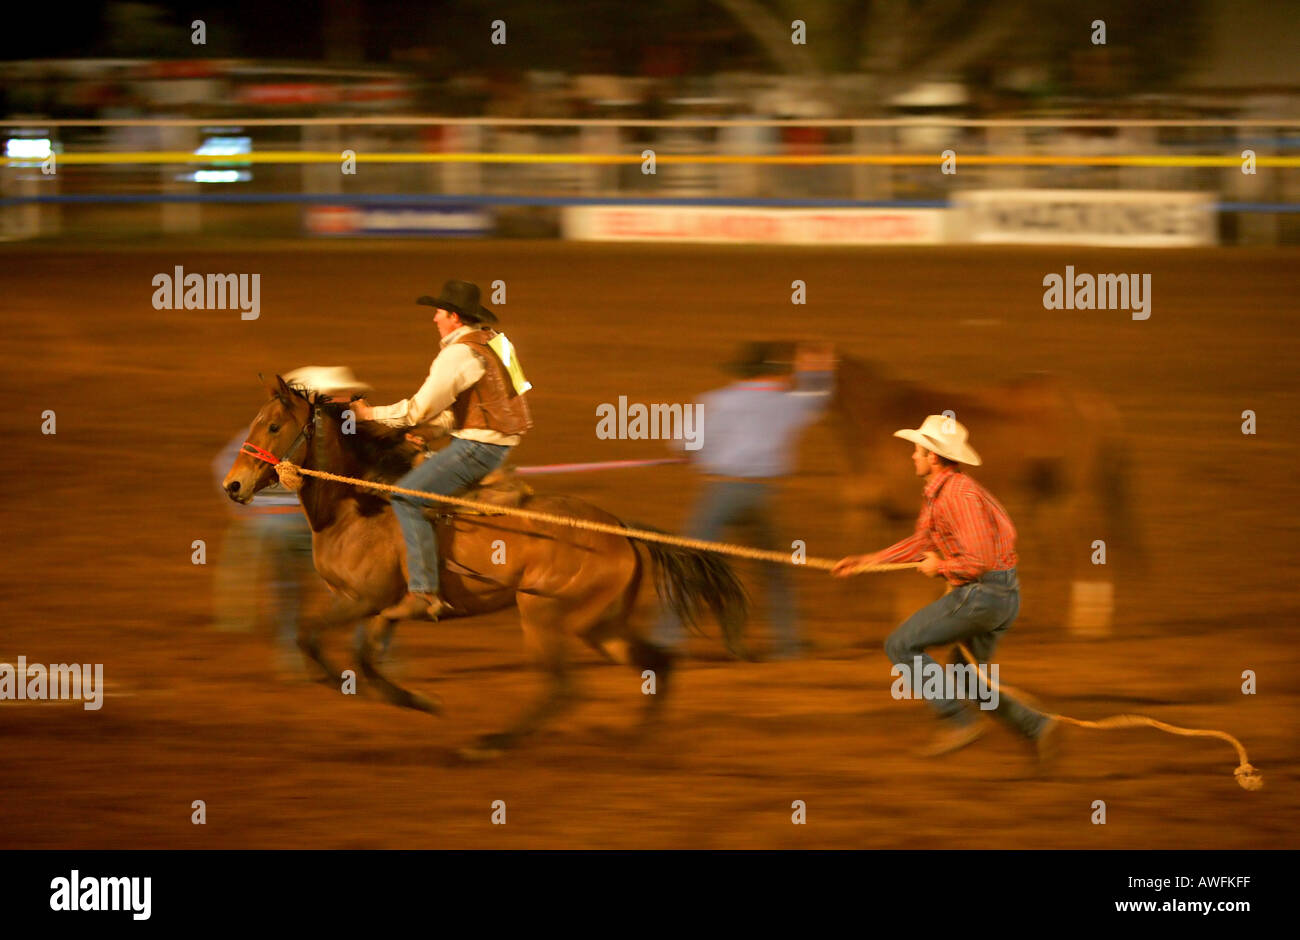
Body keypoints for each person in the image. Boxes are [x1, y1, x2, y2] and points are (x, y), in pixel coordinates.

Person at [832, 415, 1058, 759]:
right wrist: (866, 560)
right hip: (997, 595)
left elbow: (978, 560)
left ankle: (957, 721)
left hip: (983, 594)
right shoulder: (945, 491)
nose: (912, 456)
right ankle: (1035, 726)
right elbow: (921, 542)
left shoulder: (958, 496)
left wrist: (942, 567)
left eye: (917, 449)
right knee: (966, 678)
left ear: (934, 457)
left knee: (901, 644)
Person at [351, 280, 532, 621]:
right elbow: (494, 402)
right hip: (496, 444)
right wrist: (434, 431)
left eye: (438, 312)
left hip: (476, 447)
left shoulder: (458, 354)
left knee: (406, 496)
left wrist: (367, 414)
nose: (434, 318)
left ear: (453, 317)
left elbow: (416, 410)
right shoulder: (500, 344)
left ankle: (423, 591)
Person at [652, 340, 834, 660]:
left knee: (691, 563)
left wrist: (695, 453)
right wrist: (817, 370)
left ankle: (667, 640)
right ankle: (787, 644)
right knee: (774, 570)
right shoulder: (787, 403)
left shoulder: (717, 401)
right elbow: (818, 401)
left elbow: (682, 445)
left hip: (723, 491)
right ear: (771, 375)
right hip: (761, 493)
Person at [213, 366, 371, 675]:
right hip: (306, 527)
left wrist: (250, 514)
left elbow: (225, 467)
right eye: (338, 394)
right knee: (354, 593)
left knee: (289, 591)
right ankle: (374, 654)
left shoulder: (271, 428)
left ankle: (292, 657)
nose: (345, 398)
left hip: (277, 525)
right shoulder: (325, 434)